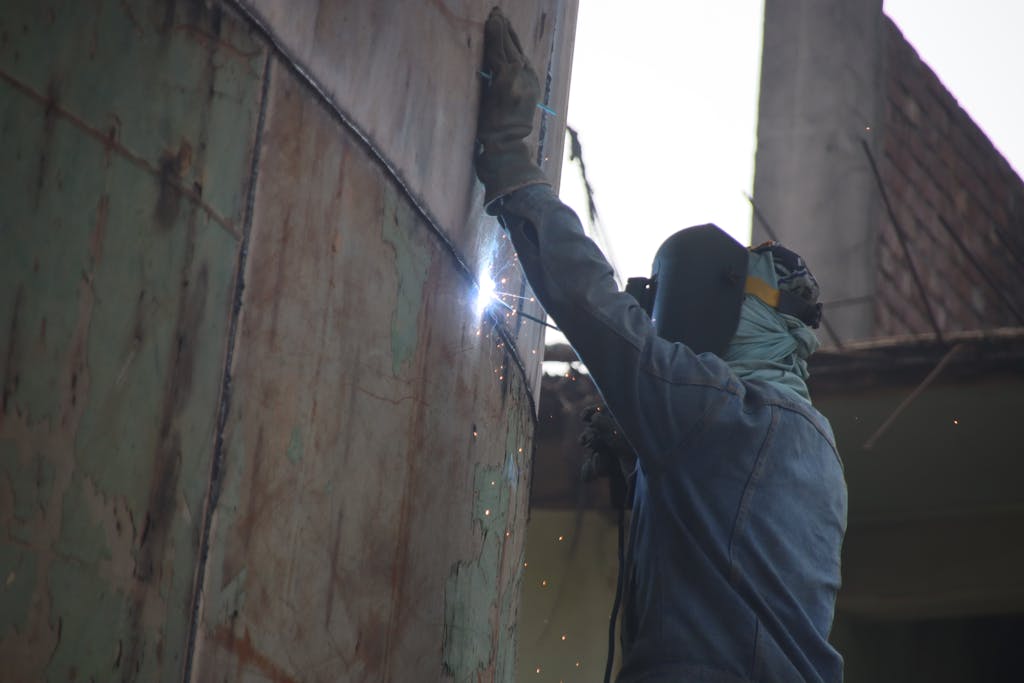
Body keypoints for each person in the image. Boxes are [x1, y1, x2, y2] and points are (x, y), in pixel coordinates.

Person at [475, 9, 848, 683]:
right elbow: (720, 557)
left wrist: (512, 168)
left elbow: (597, 311)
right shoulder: (810, 442)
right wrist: (646, 464)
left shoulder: (719, 416)